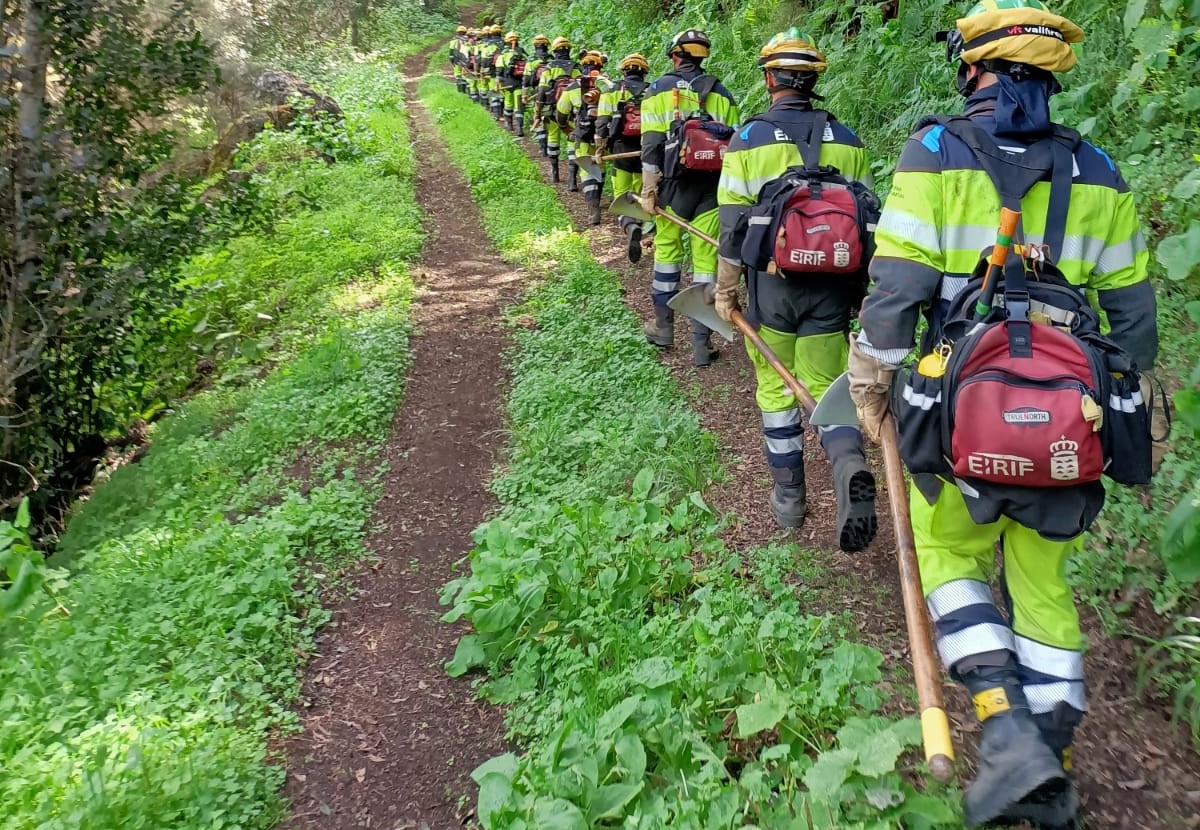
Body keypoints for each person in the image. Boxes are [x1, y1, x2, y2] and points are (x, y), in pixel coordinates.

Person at [847, 1, 1157, 826]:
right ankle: (1050, 768)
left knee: (950, 555)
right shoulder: (1099, 169)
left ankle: (1004, 727)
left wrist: (872, 377)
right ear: (1050, 76)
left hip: (958, 411)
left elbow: (902, 288)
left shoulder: (937, 151)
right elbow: (1131, 321)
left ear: (971, 66)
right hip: (1069, 419)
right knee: (1046, 589)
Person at [713, 29, 878, 548]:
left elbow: (733, 226)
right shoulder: (849, 140)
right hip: (832, 289)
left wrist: (725, 291)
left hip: (772, 291)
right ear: (813, 80)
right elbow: (867, 221)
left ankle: (789, 498)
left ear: (769, 79)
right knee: (825, 387)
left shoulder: (746, 139)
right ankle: (847, 458)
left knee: (774, 388)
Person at [639, 29, 740, 366]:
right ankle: (701, 343)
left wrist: (649, 192)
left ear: (675, 56)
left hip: (671, 189)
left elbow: (652, 145)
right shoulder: (722, 94)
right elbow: (736, 150)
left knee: (667, 255)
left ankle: (663, 328)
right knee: (705, 264)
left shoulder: (658, 91)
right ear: (703, 57)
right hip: (712, 191)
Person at [594, 53, 652, 262]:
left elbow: (602, 123)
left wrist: (600, 149)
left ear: (624, 71)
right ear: (644, 72)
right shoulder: (652, 90)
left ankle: (629, 225)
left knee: (620, 193)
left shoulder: (612, 91)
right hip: (646, 150)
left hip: (620, 149)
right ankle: (638, 222)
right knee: (639, 191)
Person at [558, 51, 612, 224]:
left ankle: (593, 205)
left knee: (586, 167)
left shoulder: (573, 88)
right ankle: (598, 194)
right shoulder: (609, 85)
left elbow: (561, 112)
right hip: (606, 133)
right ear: (600, 67)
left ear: (583, 67)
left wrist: (567, 129)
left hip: (583, 133)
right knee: (600, 163)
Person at [536, 37, 581, 185]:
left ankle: (554, 171)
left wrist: (538, 111)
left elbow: (542, 90)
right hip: (572, 113)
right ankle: (572, 178)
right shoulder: (576, 68)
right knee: (571, 139)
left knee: (553, 138)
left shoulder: (549, 68)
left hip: (552, 110)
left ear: (554, 51)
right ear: (569, 50)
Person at [522, 34, 552, 151]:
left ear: (535, 46)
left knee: (538, 117)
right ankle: (551, 143)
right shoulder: (552, 59)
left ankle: (542, 146)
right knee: (550, 118)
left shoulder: (532, 60)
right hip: (552, 93)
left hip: (538, 93)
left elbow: (526, 79)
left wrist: (525, 94)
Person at [496, 31, 528, 134]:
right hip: (520, 83)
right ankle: (520, 128)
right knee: (519, 105)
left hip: (507, 83)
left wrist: (498, 82)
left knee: (508, 103)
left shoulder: (503, 54)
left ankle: (509, 124)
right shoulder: (522, 53)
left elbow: (499, 70)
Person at [450, 26, 469, 95]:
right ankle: (465, 90)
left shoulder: (454, 40)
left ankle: (460, 91)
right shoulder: (468, 39)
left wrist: (452, 60)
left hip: (457, 59)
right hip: (465, 60)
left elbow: (451, 52)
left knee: (458, 74)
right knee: (465, 75)